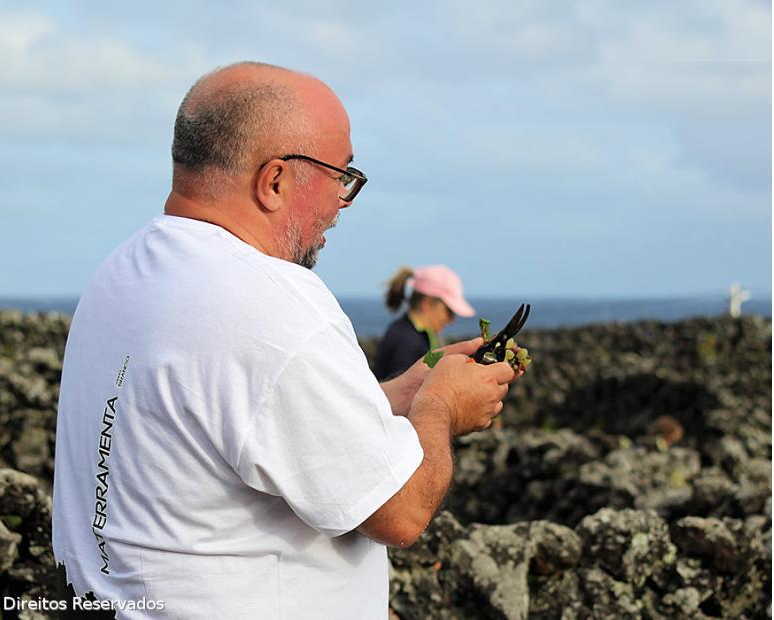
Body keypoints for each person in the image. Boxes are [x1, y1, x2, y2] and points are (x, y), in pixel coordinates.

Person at [51, 61, 518, 619]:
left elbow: (246, 418)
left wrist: (404, 395)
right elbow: (401, 512)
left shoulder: (126, 273)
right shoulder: (271, 304)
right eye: (342, 176)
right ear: (274, 180)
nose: (341, 206)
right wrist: (441, 407)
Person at [372, 265, 476, 381]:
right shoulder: (408, 344)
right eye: (449, 311)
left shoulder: (407, 332)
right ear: (426, 304)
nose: (452, 320)